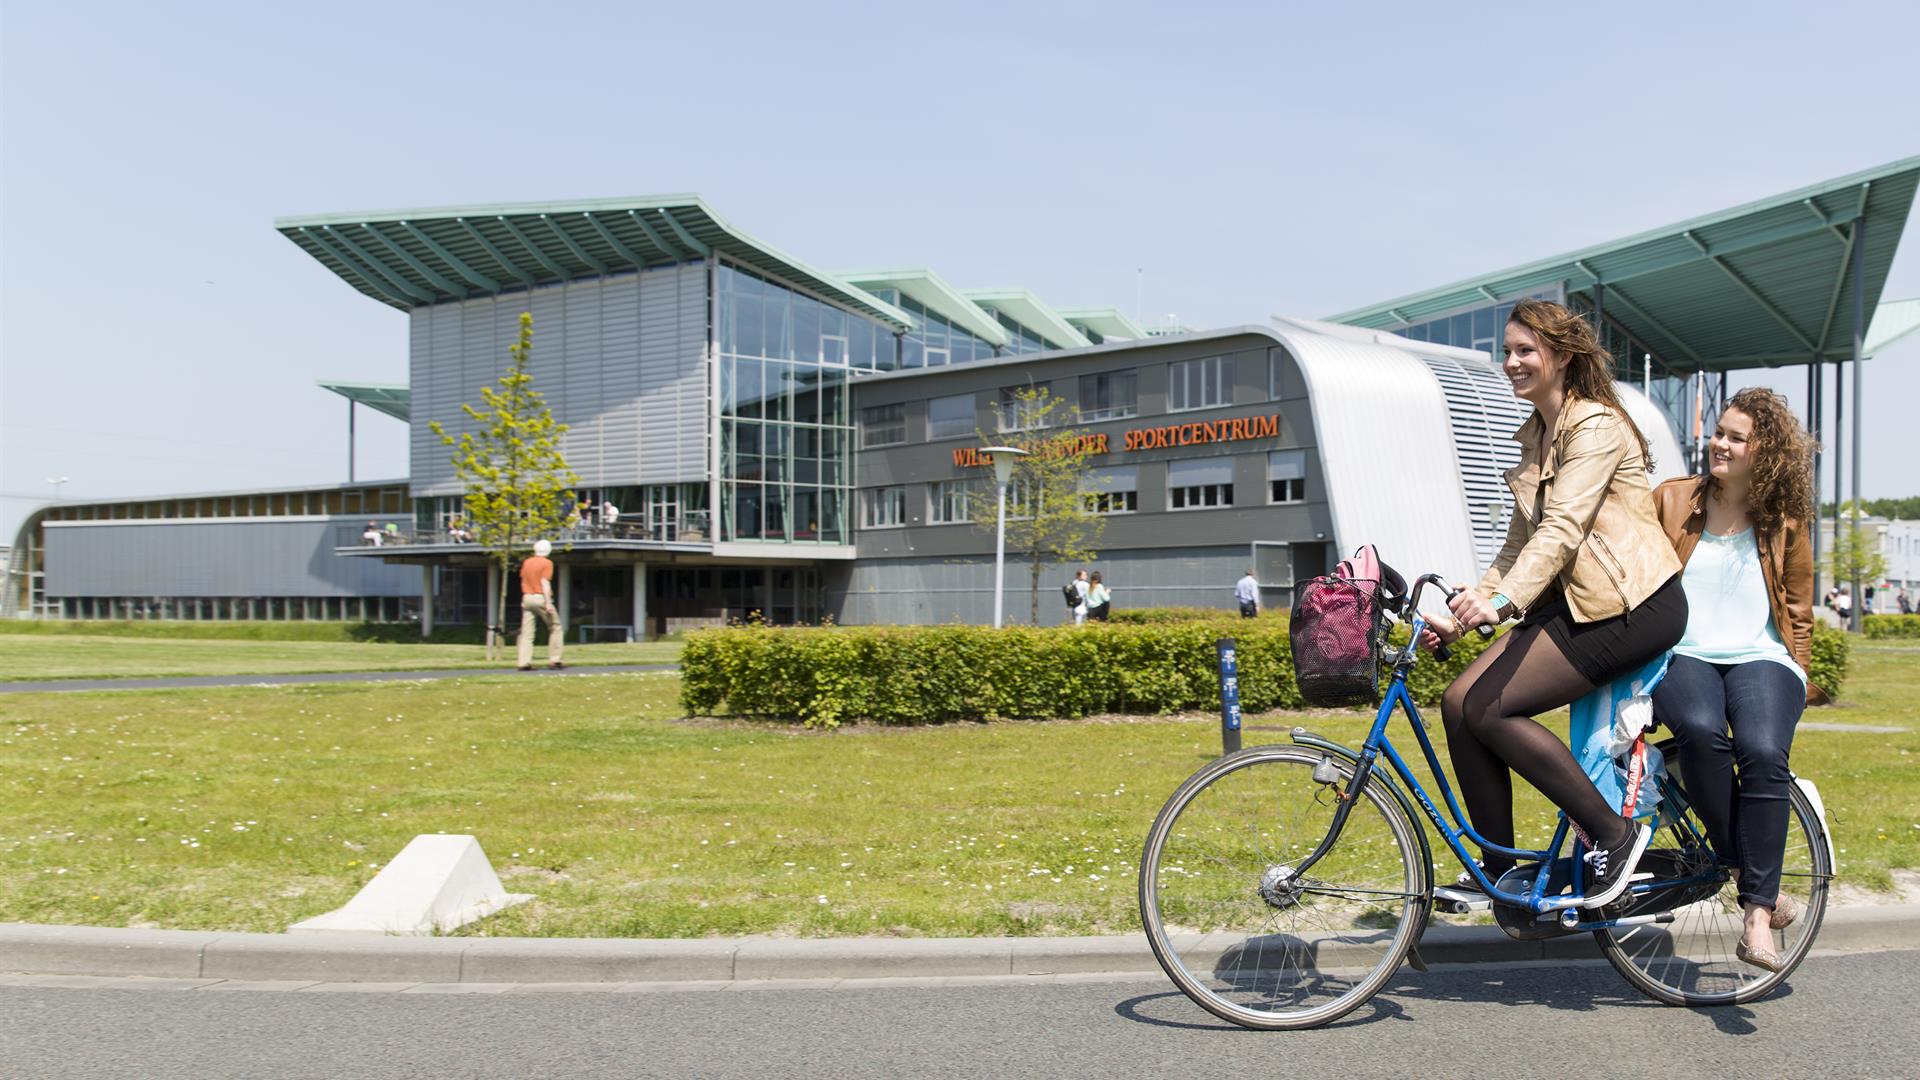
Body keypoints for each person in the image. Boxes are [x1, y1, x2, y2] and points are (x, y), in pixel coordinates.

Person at [1423, 298, 1686, 911]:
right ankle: (1504, 871)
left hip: (1632, 605)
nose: (1511, 362)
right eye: (1507, 351)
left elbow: (1562, 529)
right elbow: (1520, 540)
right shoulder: (1539, 433)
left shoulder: (1594, 427)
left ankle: (1617, 839)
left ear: (1562, 357)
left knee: (1492, 709)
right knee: (1459, 704)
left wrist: (1505, 600)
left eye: (1525, 351)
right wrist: (1472, 603)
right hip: (1575, 604)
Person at [1650, 388, 1819, 972]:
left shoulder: (1785, 520)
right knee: (1699, 730)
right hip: (1684, 652)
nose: (1719, 443)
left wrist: (1797, 664)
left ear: (1764, 451)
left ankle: (1754, 915)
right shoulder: (1672, 501)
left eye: (1736, 436)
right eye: (1719, 432)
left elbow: (1798, 605)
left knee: (1764, 751)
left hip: (1762, 656)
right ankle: (1753, 875)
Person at [517, 538, 565, 671]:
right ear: (548, 551)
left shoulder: (527, 562)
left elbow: (523, 580)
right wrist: (548, 602)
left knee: (527, 633)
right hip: (540, 597)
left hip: (527, 597)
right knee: (555, 627)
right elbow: (545, 582)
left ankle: (523, 662)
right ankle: (555, 659)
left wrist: (524, 597)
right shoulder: (547, 563)